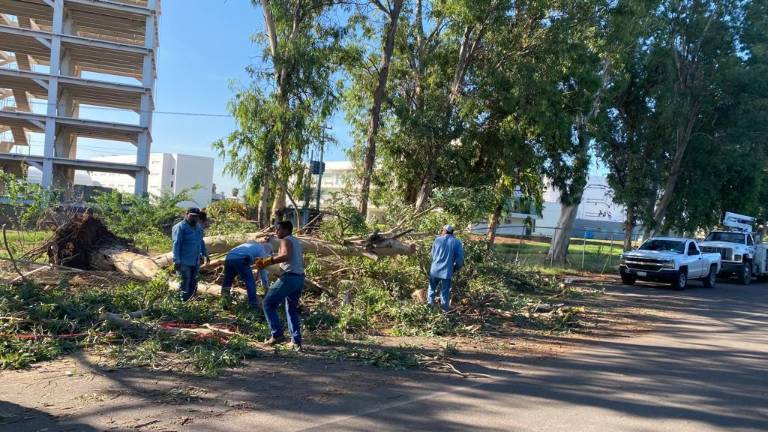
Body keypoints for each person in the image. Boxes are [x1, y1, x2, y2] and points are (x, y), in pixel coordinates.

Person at [256, 220, 305, 349]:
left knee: (268, 303)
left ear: (286, 230)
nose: (276, 232)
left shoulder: (285, 240)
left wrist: (266, 261)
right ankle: (296, 341)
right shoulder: (296, 241)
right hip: (299, 278)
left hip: (289, 278)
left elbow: (285, 256)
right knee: (291, 308)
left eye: (278, 229)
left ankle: (277, 334)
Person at [171, 208, 210, 301]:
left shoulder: (198, 227)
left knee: (194, 282)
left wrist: (205, 254)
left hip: (195, 261)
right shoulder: (180, 227)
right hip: (183, 262)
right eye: (192, 216)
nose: (194, 218)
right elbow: (176, 244)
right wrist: (176, 261)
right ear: (186, 214)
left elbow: (201, 241)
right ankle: (182, 303)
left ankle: (191, 301)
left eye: (196, 216)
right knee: (184, 283)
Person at [221, 240, 273, 308]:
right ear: (268, 251)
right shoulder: (262, 251)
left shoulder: (252, 245)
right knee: (250, 282)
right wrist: (266, 289)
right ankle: (253, 304)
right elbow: (263, 272)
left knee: (227, 281)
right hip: (240, 259)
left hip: (229, 257)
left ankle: (225, 303)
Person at [427, 224, 465, 312]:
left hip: (435, 270)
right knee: (445, 292)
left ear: (444, 231)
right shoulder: (456, 242)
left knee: (431, 288)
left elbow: (432, 255)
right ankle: (444, 311)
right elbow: (460, 259)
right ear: (452, 232)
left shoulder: (437, 240)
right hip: (447, 272)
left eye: (442, 230)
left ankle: (429, 308)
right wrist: (455, 268)